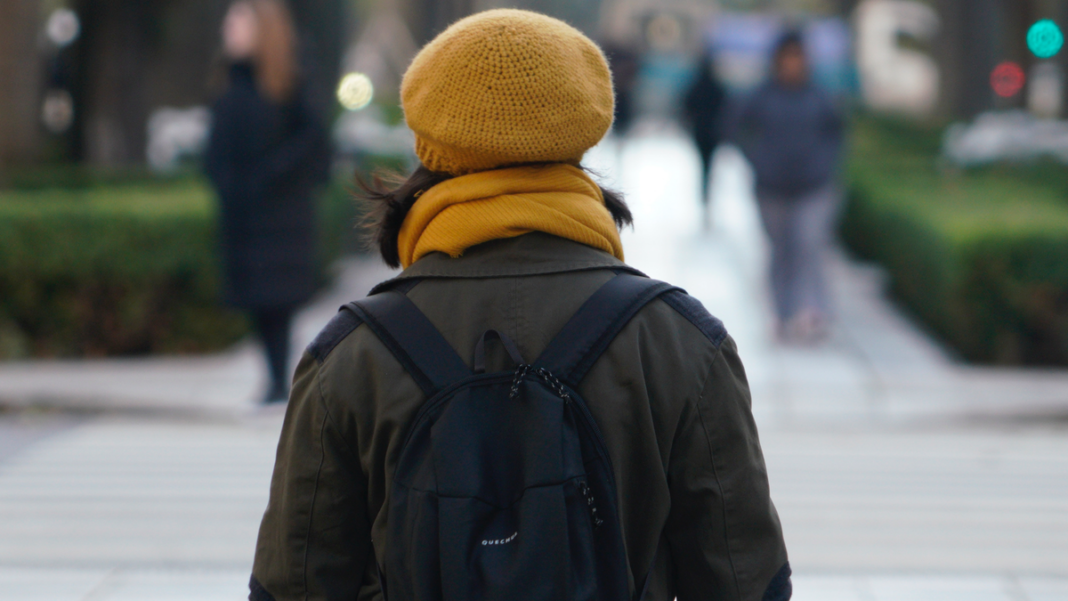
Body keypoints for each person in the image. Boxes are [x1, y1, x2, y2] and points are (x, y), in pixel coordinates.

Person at [249, 10, 790, 601]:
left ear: (429, 142)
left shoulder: (350, 357)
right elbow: (747, 582)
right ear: (582, 132)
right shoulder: (679, 342)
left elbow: (292, 587)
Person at [204, 0, 329, 404]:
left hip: (280, 216)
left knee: (277, 300)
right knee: (257, 301)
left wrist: (271, 176)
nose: (229, 27)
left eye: (238, 20)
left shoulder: (289, 84)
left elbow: (312, 143)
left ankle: (280, 380)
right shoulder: (229, 84)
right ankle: (275, 378)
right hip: (243, 215)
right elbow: (217, 150)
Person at [730, 31, 844, 343]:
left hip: (814, 186)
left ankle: (815, 312)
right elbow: (735, 126)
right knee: (781, 251)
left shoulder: (819, 96)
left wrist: (825, 164)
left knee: (810, 245)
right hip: (772, 187)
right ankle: (782, 313)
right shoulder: (762, 95)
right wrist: (757, 160)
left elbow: (837, 133)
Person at [682, 52, 727, 224]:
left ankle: (705, 192)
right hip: (713, 133)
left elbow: (687, 105)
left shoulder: (696, 85)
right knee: (710, 163)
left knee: (703, 163)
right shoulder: (717, 86)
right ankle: (708, 192)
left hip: (700, 132)